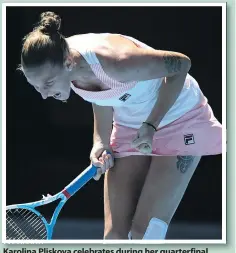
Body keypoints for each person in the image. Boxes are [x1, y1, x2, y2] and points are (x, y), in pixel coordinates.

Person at [19, 11, 222, 240]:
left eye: (48, 84)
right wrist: (100, 142)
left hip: (179, 117)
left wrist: (151, 124)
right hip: (130, 124)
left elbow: (181, 65)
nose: (45, 95)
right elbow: (99, 94)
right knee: (115, 237)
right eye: (37, 88)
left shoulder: (117, 62)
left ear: (67, 63)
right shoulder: (63, 59)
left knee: (145, 234)